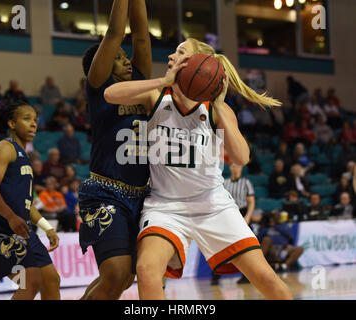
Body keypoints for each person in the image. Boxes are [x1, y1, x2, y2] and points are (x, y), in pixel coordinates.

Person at [104, 38, 292, 299]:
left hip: (213, 204)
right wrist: (163, 81)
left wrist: (217, 104)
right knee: (146, 270)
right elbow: (110, 94)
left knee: (266, 278)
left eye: (180, 53)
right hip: (165, 207)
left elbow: (242, 157)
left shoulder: (218, 109)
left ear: (196, 65)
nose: (171, 56)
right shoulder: (156, 95)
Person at [78, 0, 152, 300]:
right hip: (106, 192)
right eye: (118, 57)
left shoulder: (141, 82)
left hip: (140, 194)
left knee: (123, 279)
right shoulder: (100, 87)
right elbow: (113, 34)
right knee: (116, 274)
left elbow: (143, 36)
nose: (125, 60)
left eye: (125, 57)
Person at [0, 101, 60, 300]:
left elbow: (27, 204)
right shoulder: (5, 148)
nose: (33, 124)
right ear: (11, 123)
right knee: (30, 282)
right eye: (27, 119)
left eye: (35, 120)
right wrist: (10, 216)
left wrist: (47, 227)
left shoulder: (24, 156)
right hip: (1, 226)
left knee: (51, 279)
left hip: (23, 228)